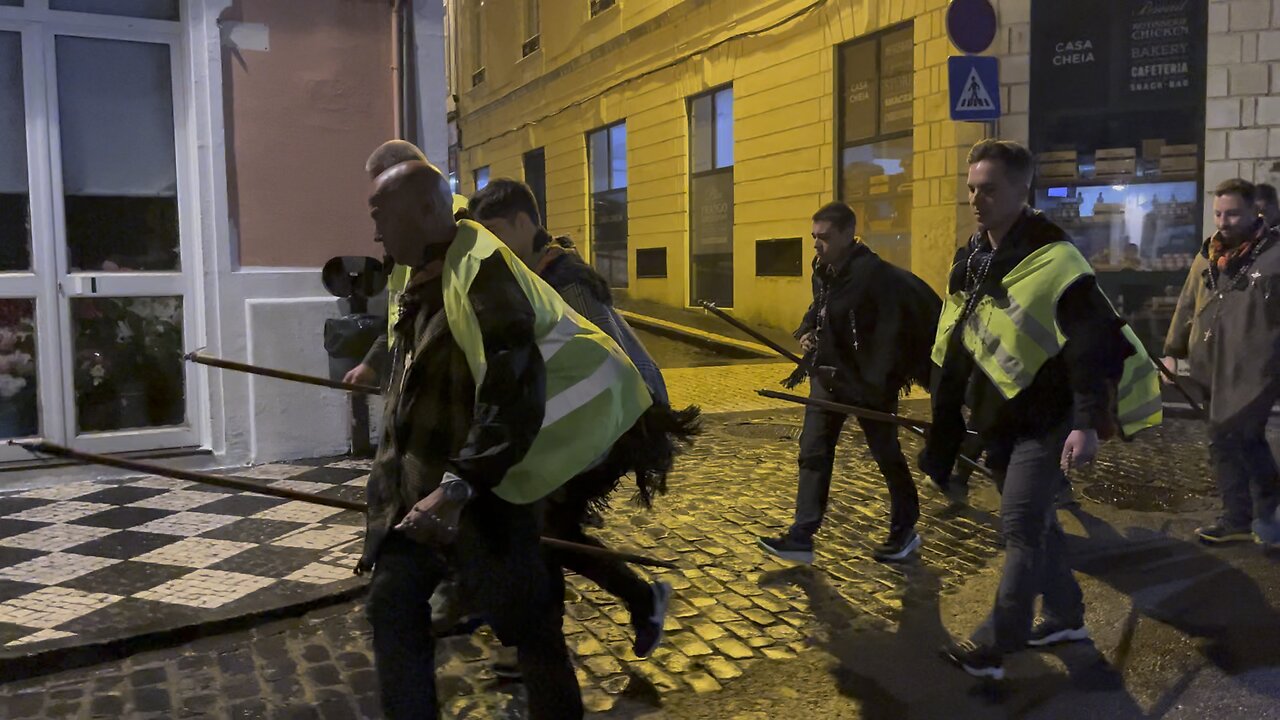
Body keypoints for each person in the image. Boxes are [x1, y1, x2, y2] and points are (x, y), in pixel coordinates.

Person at [357, 161, 653, 718]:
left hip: (484, 493)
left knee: (531, 628)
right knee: (392, 606)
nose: (374, 232)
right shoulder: (417, 268)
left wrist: (458, 486)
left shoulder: (484, 272)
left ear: (425, 210)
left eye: (380, 216)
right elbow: (406, 347)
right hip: (420, 490)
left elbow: (511, 389)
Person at [922, 140, 1162, 680]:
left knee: (1021, 526)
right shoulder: (974, 256)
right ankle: (1064, 617)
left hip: (1047, 419)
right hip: (1000, 419)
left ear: (1020, 190)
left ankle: (994, 644)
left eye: (989, 189)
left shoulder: (1056, 257)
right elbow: (959, 336)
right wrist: (948, 406)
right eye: (971, 188)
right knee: (1042, 526)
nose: (976, 199)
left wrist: (1085, 423)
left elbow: (1091, 345)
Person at [468, 178, 701, 658]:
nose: (489, 243)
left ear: (522, 222)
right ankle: (555, 635)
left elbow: (602, 363)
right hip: (579, 423)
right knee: (545, 528)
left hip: (615, 422)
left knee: (544, 526)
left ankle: (541, 644)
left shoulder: (565, 280)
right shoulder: (532, 272)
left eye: (494, 230)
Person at [756, 202, 942, 565]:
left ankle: (905, 530)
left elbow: (889, 331)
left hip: (867, 382)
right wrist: (810, 331)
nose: (816, 245)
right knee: (813, 452)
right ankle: (801, 536)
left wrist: (877, 382)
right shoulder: (823, 270)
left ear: (847, 234)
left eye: (824, 237)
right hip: (826, 376)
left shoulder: (873, 277)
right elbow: (821, 306)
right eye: (814, 237)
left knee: (886, 455)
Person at [1163, 178, 1280, 546]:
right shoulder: (1206, 255)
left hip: (1255, 370)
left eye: (1232, 213)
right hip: (1211, 367)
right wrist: (1172, 351)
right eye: (1218, 213)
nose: (1223, 221)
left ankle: (1268, 517)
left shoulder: (1274, 255)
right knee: (1222, 440)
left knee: (1244, 436)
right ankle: (1237, 518)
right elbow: (1187, 303)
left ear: (1252, 212)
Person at [343, 140, 469, 388]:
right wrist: (373, 362)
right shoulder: (406, 237)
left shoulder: (451, 229)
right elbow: (400, 320)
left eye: (385, 184)